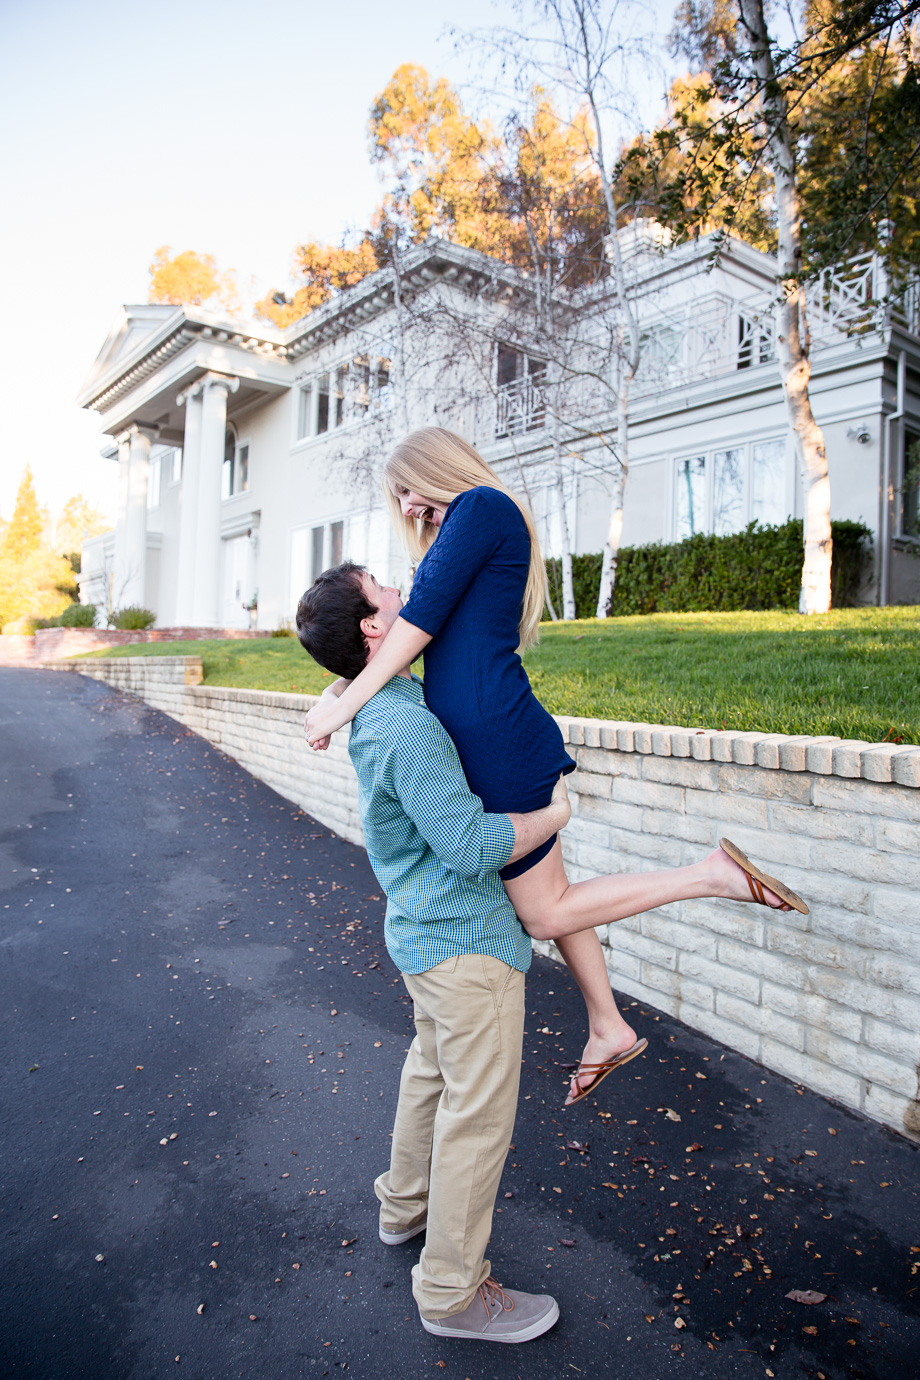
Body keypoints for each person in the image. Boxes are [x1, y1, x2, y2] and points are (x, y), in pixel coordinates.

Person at [304, 429, 808, 1103]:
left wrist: (339, 711)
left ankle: (711, 876)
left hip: (496, 737)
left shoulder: (481, 507)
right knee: (553, 900)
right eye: (399, 499)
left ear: (435, 468)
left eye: (408, 489)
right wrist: (334, 692)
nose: (409, 507)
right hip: (485, 734)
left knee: (545, 912)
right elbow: (386, 640)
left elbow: (412, 633)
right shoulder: (466, 524)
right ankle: (606, 1024)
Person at [296, 560, 571, 1343]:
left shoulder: (374, 702)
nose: (402, 587)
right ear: (374, 629)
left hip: (422, 937)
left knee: (432, 1078)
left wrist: (328, 703)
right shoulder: (405, 725)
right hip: (463, 948)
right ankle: (451, 1293)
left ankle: (403, 1207)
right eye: (385, 587)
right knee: (476, 1118)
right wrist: (555, 814)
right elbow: (467, 842)